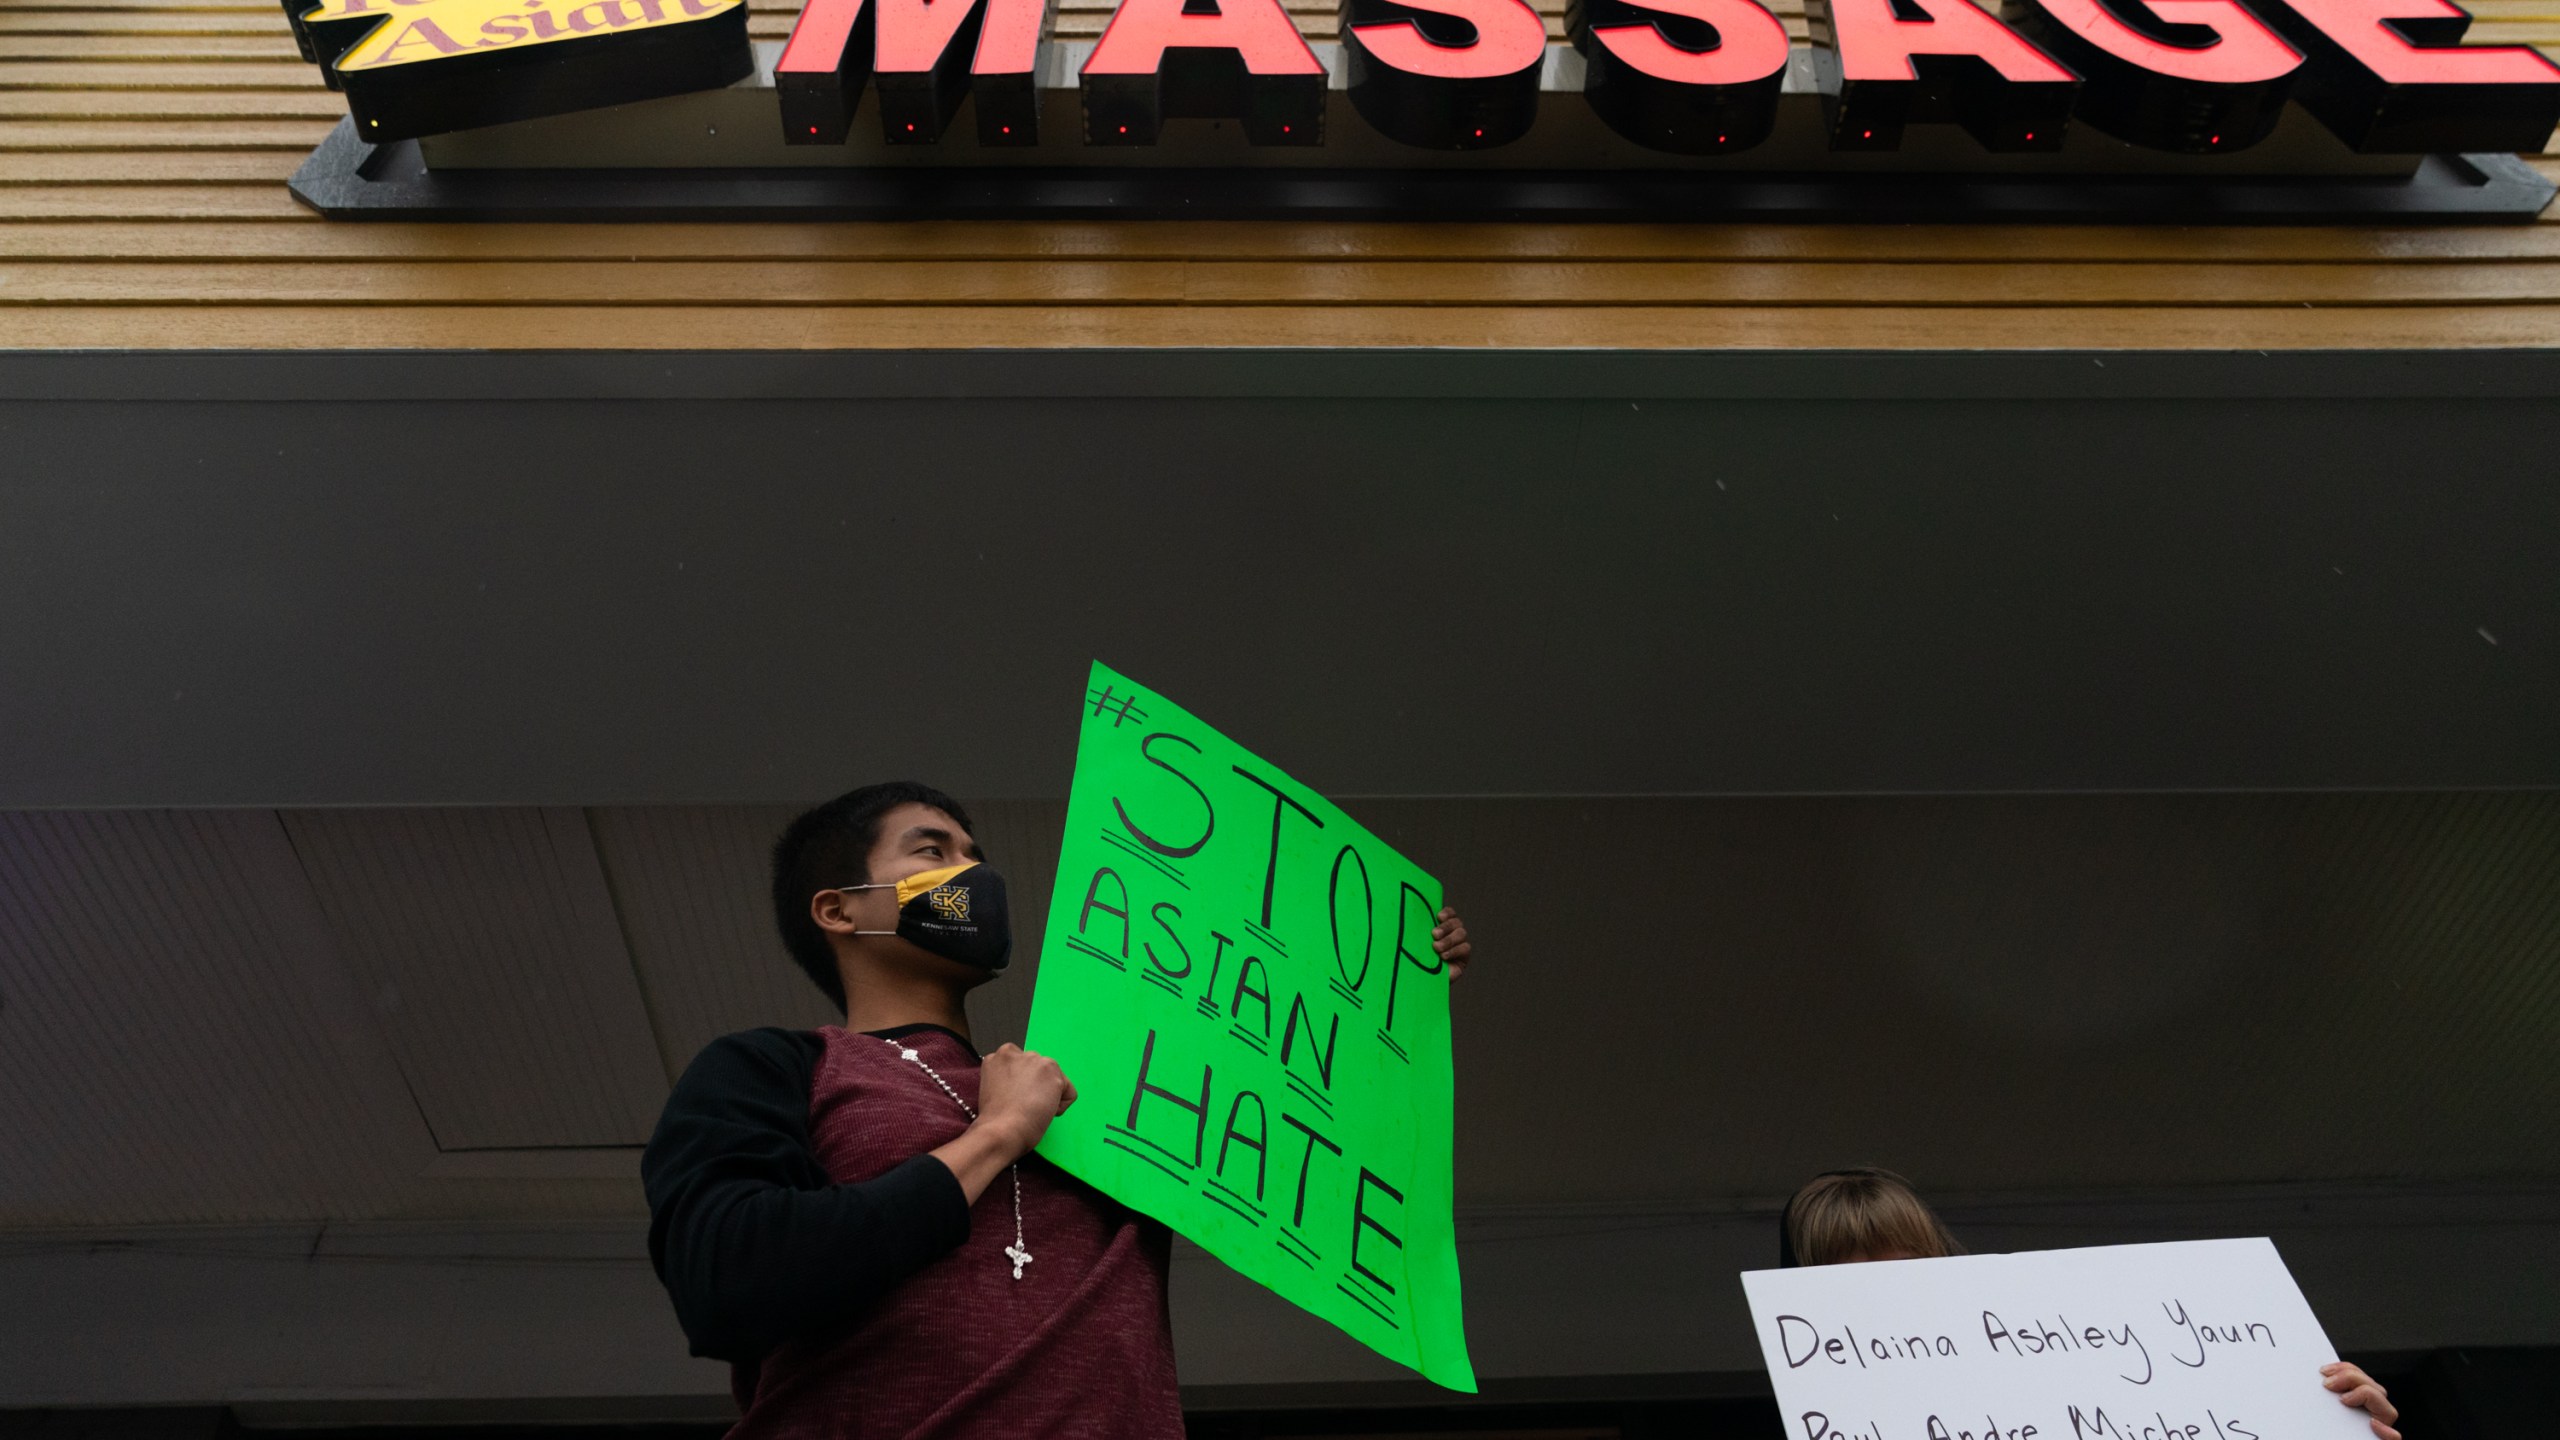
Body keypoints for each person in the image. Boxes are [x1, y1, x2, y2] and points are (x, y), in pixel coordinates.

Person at [642, 781, 1474, 1440]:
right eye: (933, 852)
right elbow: (728, 1282)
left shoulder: (1111, 1092)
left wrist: (1393, 997)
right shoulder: (777, 1067)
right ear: (839, 907)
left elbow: (1305, 1153)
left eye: (977, 856)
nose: (973, 880)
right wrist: (997, 1135)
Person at [1777, 1169, 2402, 1440]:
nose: (1882, 1306)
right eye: (1843, 1288)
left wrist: (2331, 1424)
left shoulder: (2062, 1386)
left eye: (1906, 1271)